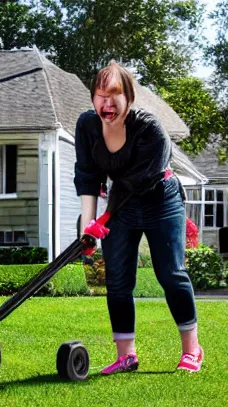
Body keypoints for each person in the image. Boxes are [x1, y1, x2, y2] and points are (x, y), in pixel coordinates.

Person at [74, 60, 203, 374]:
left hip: (161, 199)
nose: (107, 103)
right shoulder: (87, 126)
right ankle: (126, 356)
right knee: (117, 280)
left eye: (115, 95)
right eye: (101, 95)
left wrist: (102, 220)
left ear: (128, 98)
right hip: (123, 205)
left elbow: (135, 182)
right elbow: (87, 176)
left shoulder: (149, 128)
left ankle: (192, 350)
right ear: (93, 98)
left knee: (170, 274)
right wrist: (87, 228)